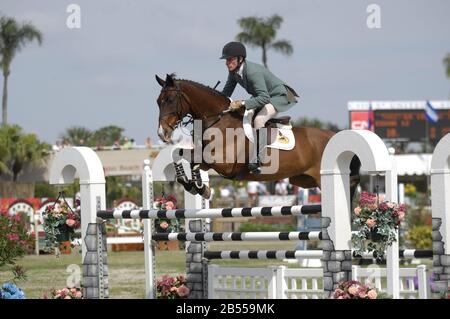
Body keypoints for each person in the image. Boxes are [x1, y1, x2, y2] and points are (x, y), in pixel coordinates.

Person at [220, 41, 299, 174]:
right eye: (226, 60)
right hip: (264, 96)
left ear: (240, 59)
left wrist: (243, 103)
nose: (227, 63)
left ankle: (258, 160)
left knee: (259, 121)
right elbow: (226, 93)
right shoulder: (234, 72)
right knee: (244, 116)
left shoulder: (252, 72)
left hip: (279, 96)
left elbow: (264, 98)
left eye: (230, 59)